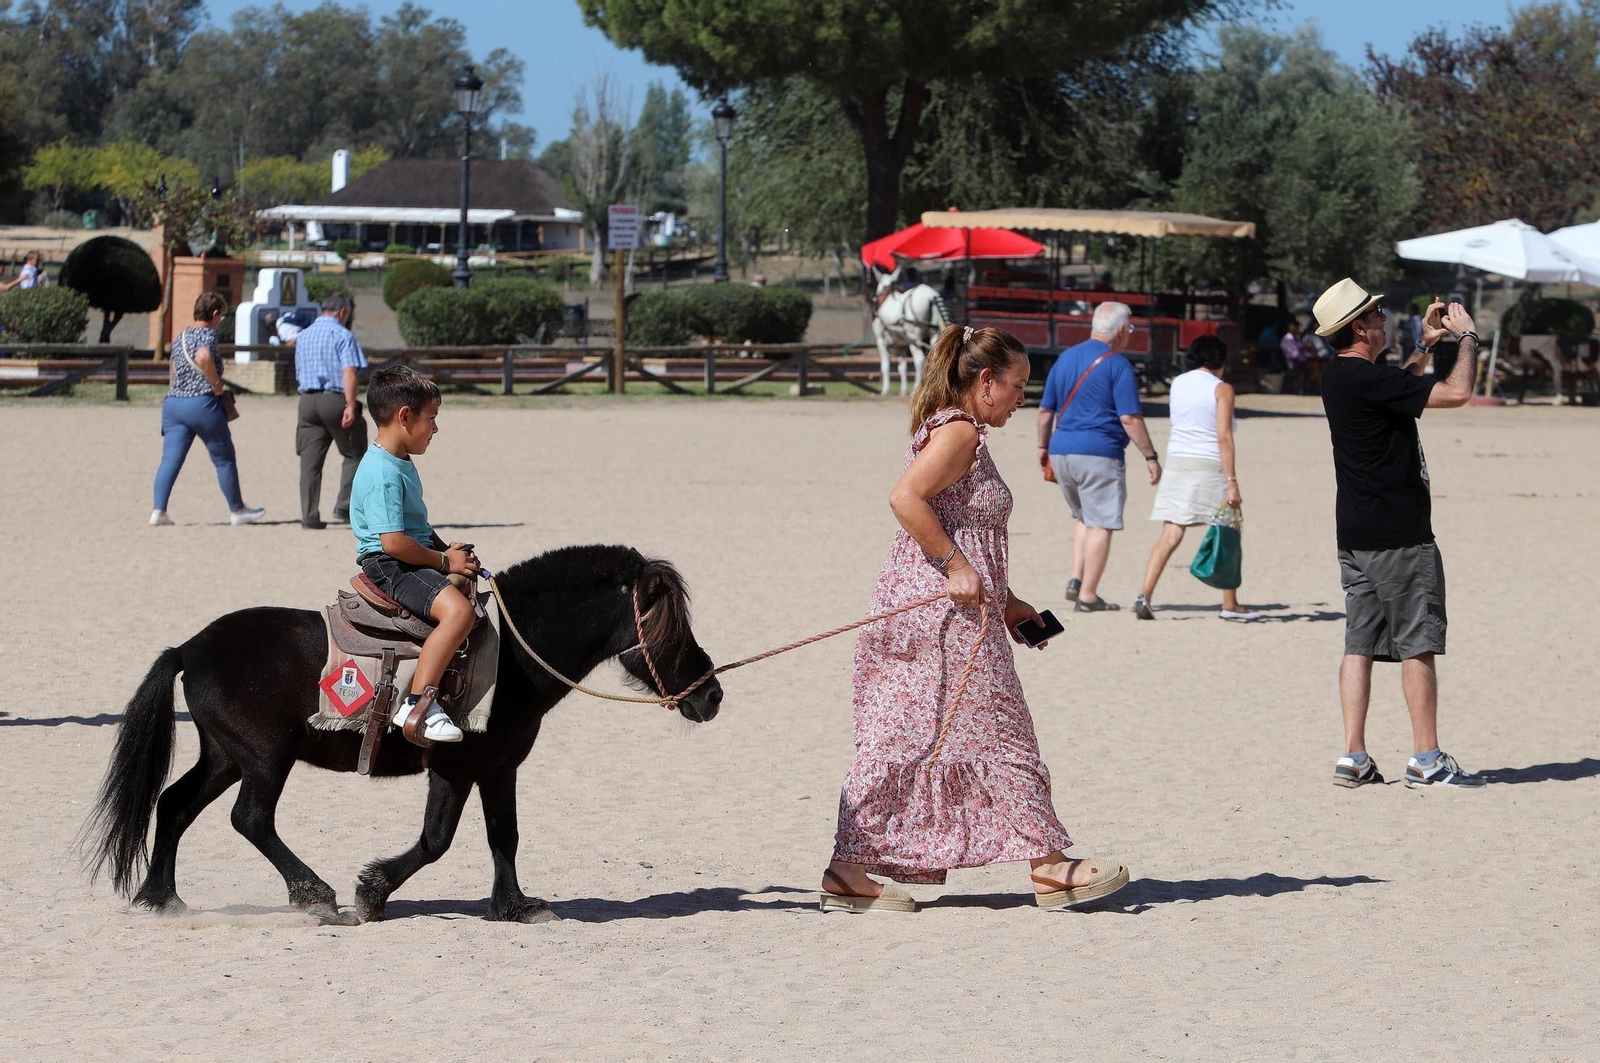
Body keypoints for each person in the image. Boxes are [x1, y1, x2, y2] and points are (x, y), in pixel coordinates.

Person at [821, 325, 1129, 913]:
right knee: (995, 733)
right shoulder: (960, 431)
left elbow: (964, 529)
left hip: (951, 610)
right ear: (984, 381)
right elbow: (905, 497)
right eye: (1015, 386)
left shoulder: (961, 431)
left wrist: (1006, 600)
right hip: (940, 618)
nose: (1021, 398)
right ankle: (1050, 866)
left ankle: (850, 871)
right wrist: (955, 567)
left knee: (909, 734)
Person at [1312, 278, 1484, 789]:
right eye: (1378, 313)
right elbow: (1459, 393)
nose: (1385, 317)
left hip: (1356, 534)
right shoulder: (1367, 380)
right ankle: (1426, 758)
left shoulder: (1343, 376)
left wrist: (1425, 347)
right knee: (1418, 644)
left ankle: (1353, 756)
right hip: (1399, 536)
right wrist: (1467, 338)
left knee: (1358, 643)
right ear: (1359, 328)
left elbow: (1399, 389)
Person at [349, 364, 482, 745]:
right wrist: (443, 562)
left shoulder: (399, 461)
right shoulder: (382, 472)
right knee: (459, 613)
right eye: (432, 418)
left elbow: (416, 526)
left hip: (405, 554)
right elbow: (393, 541)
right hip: (389, 565)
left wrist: (444, 548)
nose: (436, 428)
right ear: (405, 417)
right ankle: (417, 704)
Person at [1036, 302, 1161, 611]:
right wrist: (1150, 455)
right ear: (1120, 330)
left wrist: (1043, 447)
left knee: (1083, 517)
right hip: (1099, 453)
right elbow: (1130, 418)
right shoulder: (1117, 365)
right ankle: (1088, 596)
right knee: (1101, 522)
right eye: (1130, 329)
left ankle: (1076, 578)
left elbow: (1044, 412)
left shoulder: (1064, 358)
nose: (1130, 334)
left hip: (1062, 450)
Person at [1134, 336, 1261, 622]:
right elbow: (1224, 438)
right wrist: (1232, 480)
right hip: (1209, 465)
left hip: (1178, 461)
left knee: (1170, 534)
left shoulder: (1179, 383)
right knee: (1229, 527)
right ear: (1220, 360)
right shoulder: (1222, 388)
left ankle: (1145, 594)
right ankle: (1230, 603)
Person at [149, 292, 266, 527]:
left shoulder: (181, 335)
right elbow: (203, 356)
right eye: (220, 316)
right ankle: (237, 510)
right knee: (224, 459)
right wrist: (216, 384)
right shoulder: (207, 334)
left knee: (170, 460)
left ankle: (158, 511)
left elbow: (173, 369)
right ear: (214, 314)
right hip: (201, 403)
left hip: (173, 404)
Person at [293, 292, 368, 529]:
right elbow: (350, 371)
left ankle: (309, 515)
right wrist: (350, 403)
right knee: (355, 452)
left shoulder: (303, 335)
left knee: (310, 462)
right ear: (343, 312)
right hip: (334, 399)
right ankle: (343, 505)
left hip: (306, 401)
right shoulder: (342, 335)